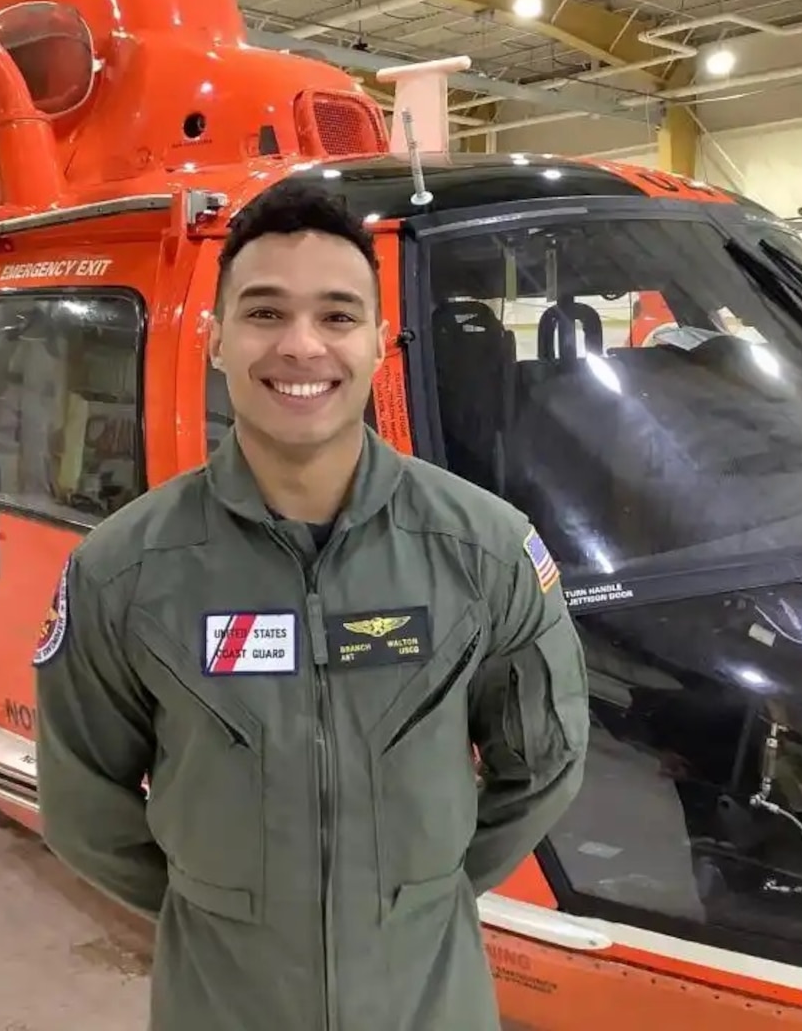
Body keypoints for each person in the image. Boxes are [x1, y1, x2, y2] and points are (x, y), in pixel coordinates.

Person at [33, 179, 590, 1031]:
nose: (301, 347)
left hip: (428, 1004)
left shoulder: (485, 552)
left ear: (379, 342)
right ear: (215, 340)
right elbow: (85, 808)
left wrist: (411, 897)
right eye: (264, 314)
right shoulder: (125, 572)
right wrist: (225, 908)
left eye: (336, 316)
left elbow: (542, 765)